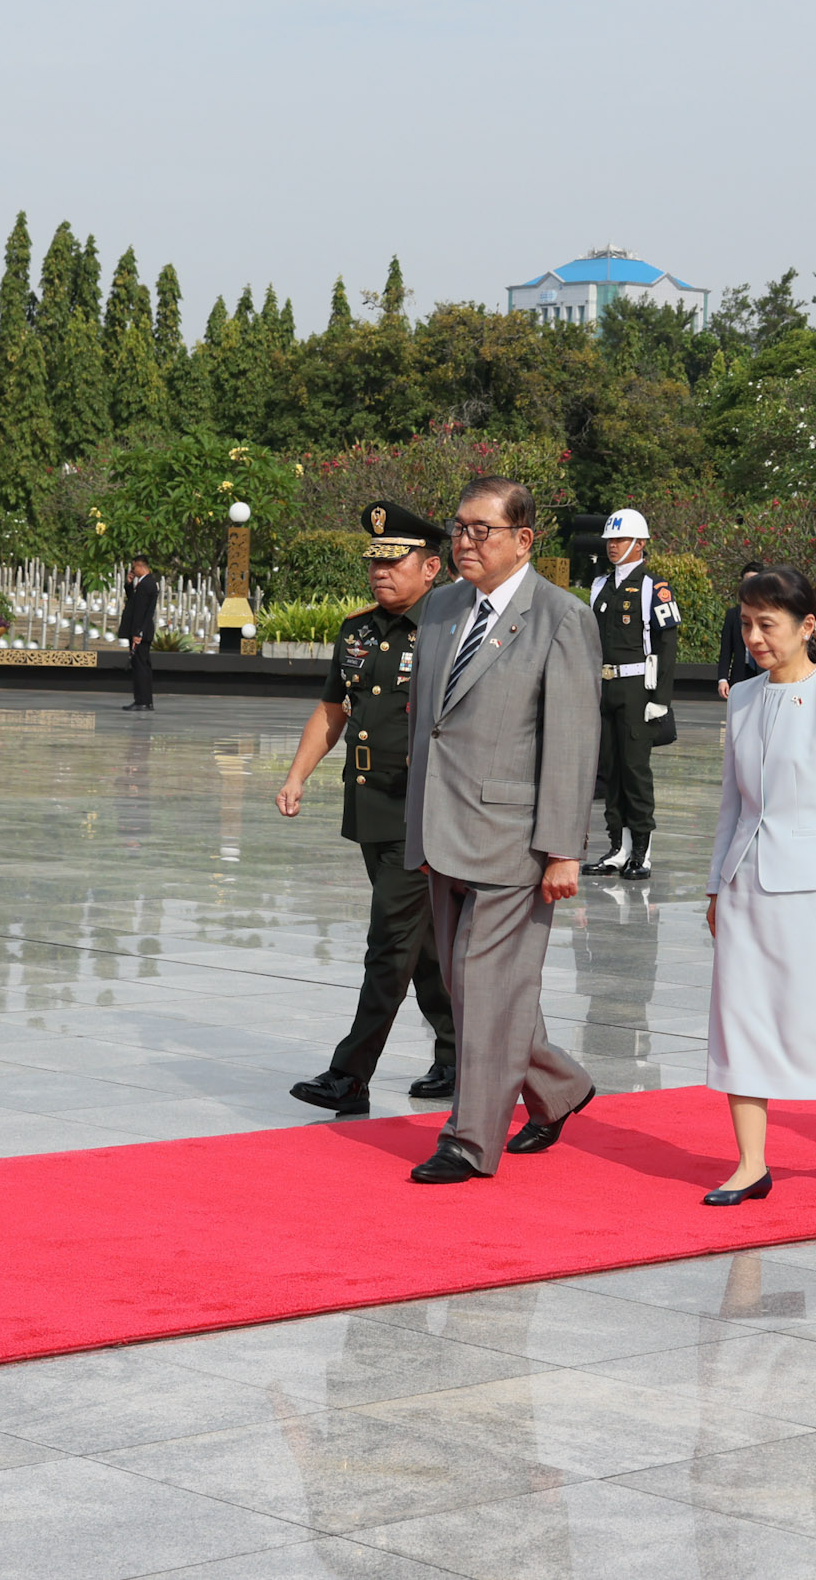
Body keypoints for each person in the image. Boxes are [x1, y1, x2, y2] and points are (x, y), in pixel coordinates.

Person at [402, 476, 601, 1184]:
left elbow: (573, 742)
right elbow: (431, 725)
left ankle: (468, 1140)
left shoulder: (561, 618)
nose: (463, 541)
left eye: (480, 529)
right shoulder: (442, 608)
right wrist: (416, 830)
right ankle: (559, 1089)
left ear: (524, 539)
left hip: (516, 839)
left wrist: (563, 851)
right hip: (441, 829)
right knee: (471, 989)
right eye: (457, 527)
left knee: (485, 988)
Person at [702, 566, 816, 1206]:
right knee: (740, 1017)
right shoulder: (743, 696)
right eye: (747, 624)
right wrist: (713, 884)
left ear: (808, 627)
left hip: (814, 889)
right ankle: (751, 1163)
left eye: (768, 625)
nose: (755, 637)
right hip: (745, 882)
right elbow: (733, 801)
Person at [274, 502, 458, 1115]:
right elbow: (334, 710)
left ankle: (349, 1075)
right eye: (374, 560)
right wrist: (297, 775)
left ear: (431, 567)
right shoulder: (358, 631)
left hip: (426, 812)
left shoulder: (452, 628)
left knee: (389, 939)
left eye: (394, 559)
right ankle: (457, 1054)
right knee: (424, 941)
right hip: (372, 805)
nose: (381, 571)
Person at [586, 507, 680, 879]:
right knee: (610, 769)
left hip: (638, 688)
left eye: (621, 539)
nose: (613, 546)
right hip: (605, 686)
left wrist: (661, 699)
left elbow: (667, 646)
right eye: (610, 540)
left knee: (635, 770)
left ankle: (641, 849)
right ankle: (617, 846)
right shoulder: (599, 585)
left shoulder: (653, 587)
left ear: (640, 544)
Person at [716, 561, 766, 700]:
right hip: (740, 674)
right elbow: (726, 650)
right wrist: (722, 679)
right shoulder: (733, 614)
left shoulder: (771, 613)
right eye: (747, 581)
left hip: (765, 673)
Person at [117, 554, 159, 712]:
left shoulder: (146, 585)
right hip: (141, 631)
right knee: (143, 666)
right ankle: (145, 701)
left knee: (140, 667)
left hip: (140, 632)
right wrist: (128, 585)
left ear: (141, 566)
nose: (132, 570)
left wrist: (137, 633)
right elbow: (135, 603)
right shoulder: (145, 583)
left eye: (134, 567)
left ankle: (142, 700)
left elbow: (142, 612)